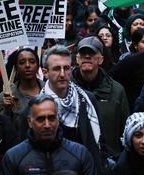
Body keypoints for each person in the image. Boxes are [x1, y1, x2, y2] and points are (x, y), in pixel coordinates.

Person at [40, 45, 109, 173]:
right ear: (45, 72)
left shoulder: (87, 99)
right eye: (56, 69)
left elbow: (101, 141)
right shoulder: (36, 108)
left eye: (66, 68)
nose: (62, 74)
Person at [0, 95, 96, 175]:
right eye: (40, 119)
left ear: (58, 119)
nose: (47, 125)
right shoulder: (14, 157)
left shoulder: (80, 154)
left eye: (51, 118)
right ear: (29, 121)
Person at [72, 36, 129, 154]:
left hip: (108, 159)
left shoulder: (117, 91)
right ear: (77, 59)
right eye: (83, 53)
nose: (87, 56)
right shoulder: (65, 90)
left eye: (92, 53)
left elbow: (125, 130)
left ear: (101, 59)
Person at [0, 48, 45, 131]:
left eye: (32, 61)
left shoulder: (50, 91)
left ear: (38, 66)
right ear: (16, 68)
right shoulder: (5, 97)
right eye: (22, 62)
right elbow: (2, 130)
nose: (27, 65)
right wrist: (7, 111)